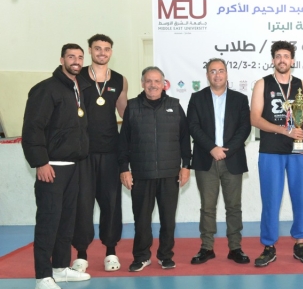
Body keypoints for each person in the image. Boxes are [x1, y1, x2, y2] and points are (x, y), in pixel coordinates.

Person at [22, 44, 92, 289]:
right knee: (48, 222)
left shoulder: (76, 88)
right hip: (51, 168)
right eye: (71, 57)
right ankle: (42, 277)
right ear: (62, 59)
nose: (76, 61)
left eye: (80, 57)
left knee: (66, 221)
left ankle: (60, 267)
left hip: (73, 167)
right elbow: (33, 128)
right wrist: (41, 162)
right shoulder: (46, 89)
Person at [119, 66, 191, 272]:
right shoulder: (132, 107)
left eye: (157, 81)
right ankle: (141, 257)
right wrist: (124, 169)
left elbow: (185, 139)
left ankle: (165, 256)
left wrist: (186, 166)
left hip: (170, 174)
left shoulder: (175, 106)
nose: (153, 85)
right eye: (148, 81)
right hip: (142, 174)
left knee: (168, 220)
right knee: (141, 220)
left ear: (163, 84)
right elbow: (123, 142)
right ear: (142, 83)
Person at [250, 41, 303, 266]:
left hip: (298, 151)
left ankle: (300, 243)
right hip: (271, 151)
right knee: (271, 200)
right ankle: (269, 246)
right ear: (273, 60)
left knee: (300, 198)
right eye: (278, 56)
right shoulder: (262, 84)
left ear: (292, 60)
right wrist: (284, 130)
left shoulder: (301, 85)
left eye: (286, 56)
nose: (282, 60)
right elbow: (254, 118)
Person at [72, 34, 128, 273]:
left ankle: (111, 251)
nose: (102, 52)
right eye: (97, 48)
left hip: (110, 151)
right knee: (82, 203)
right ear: (90, 50)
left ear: (111, 52)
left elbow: (125, 113)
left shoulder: (120, 79)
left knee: (111, 203)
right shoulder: (78, 77)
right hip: (82, 152)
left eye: (106, 49)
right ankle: (81, 254)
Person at [187, 58, 252, 265]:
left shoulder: (240, 99)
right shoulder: (197, 98)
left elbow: (245, 128)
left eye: (221, 70)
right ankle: (206, 248)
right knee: (207, 207)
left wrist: (226, 150)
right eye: (213, 71)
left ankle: (235, 248)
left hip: (232, 159)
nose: (217, 75)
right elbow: (193, 126)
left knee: (234, 206)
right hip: (206, 159)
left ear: (226, 74)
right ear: (207, 75)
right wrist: (212, 148)